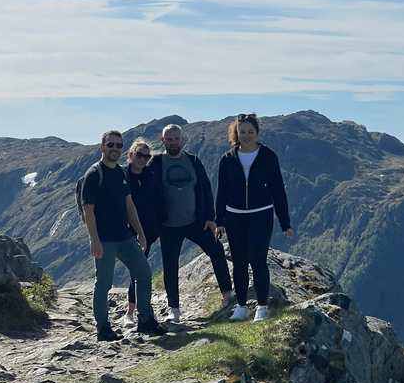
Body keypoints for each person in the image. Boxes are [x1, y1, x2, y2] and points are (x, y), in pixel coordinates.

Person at [81, 130, 167, 340]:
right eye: (110, 145)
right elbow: (88, 209)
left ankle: (145, 320)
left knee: (144, 275)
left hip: (125, 237)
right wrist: (94, 239)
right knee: (103, 284)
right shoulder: (94, 174)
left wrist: (140, 233)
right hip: (105, 240)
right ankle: (103, 328)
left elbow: (129, 205)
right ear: (102, 147)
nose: (115, 149)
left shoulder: (120, 173)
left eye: (118, 145)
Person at [147, 124, 233, 323]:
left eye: (176, 139)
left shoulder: (193, 161)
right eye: (169, 139)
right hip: (167, 226)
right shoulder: (156, 163)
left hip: (196, 222)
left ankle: (227, 296)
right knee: (170, 267)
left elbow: (205, 188)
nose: (173, 143)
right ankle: (174, 310)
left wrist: (210, 218)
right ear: (163, 141)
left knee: (216, 251)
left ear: (183, 139)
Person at [215, 113, 292, 322]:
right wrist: (219, 220)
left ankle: (262, 307)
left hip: (261, 215)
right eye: (242, 132)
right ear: (236, 133)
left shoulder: (268, 156)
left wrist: (285, 222)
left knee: (258, 259)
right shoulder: (227, 159)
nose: (246, 136)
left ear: (257, 133)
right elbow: (221, 192)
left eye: (250, 132)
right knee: (239, 262)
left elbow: (278, 190)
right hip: (234, 216)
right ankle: (240, 307)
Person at [122, 138, 163, 327]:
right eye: (140, 155)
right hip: (125, 231)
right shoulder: (121, 176)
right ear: (131, 155)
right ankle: (135, 312)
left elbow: (158, 202)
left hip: (147, 232)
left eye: (147, 156)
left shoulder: (150, 177)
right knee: (138, 270)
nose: (143, 159)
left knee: (137, 271)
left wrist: (157, 227)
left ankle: (133, 313)